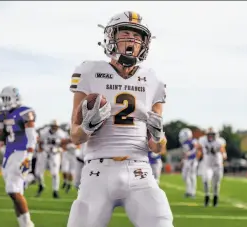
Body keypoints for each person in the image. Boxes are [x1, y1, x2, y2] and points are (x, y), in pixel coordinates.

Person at [66, 11, 173, 227]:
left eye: (138, 36)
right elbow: (75, 137)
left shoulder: (153, 80)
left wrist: (159, 135)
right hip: (98, 169)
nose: (133, 39)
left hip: (140, 170)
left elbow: (158, 148)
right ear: (110, 37)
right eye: (126, 32)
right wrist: (87, 127)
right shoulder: (89, 71)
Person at [0, 86, 36, 227]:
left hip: (21, 153)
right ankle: (23, 225)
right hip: (8, 154)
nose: (3, 102)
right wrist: (1, 124)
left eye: (6, 98)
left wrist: (29, 156)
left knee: (12, 189)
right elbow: (1, 137)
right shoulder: (3, 114)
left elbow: (32, 137)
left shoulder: (25, 112)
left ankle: (28, 225)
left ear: (15, 98)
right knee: (15, 192)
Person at [35, 120, 68, 198]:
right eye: (53, 126)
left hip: (54, 154)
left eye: (56, 126)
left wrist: (59, 150)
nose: (54, 128)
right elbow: (39, 141)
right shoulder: (44, 132)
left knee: (55, 173)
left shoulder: (61, 134)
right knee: (38, 173)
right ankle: (41, 185)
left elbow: (65, 144)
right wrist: (40, 150)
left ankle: (55, 191)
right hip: (44, 153)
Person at [197, 127, 227, 207]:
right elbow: (199, 149)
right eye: (209, 134)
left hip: (217, 165)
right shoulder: (202, 140)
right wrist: (198, 155)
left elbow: (222, 150)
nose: (210, 136)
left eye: (212, 134)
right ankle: (207, 196)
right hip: (207, 165)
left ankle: (215, 197)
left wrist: (224, 154)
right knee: (206, 180)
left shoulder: (219, 141)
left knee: (216, 183)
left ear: (216, 135)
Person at [179, 128, 198, 198]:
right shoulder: (184, 143)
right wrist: (182, 160)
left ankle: (192, 192)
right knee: (184, 176)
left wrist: (189, 153)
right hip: (186, 160)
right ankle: (188, 191)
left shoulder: (193, 141)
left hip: (192, 160)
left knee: (192, 176)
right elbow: (184, 153)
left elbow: (196, 149)